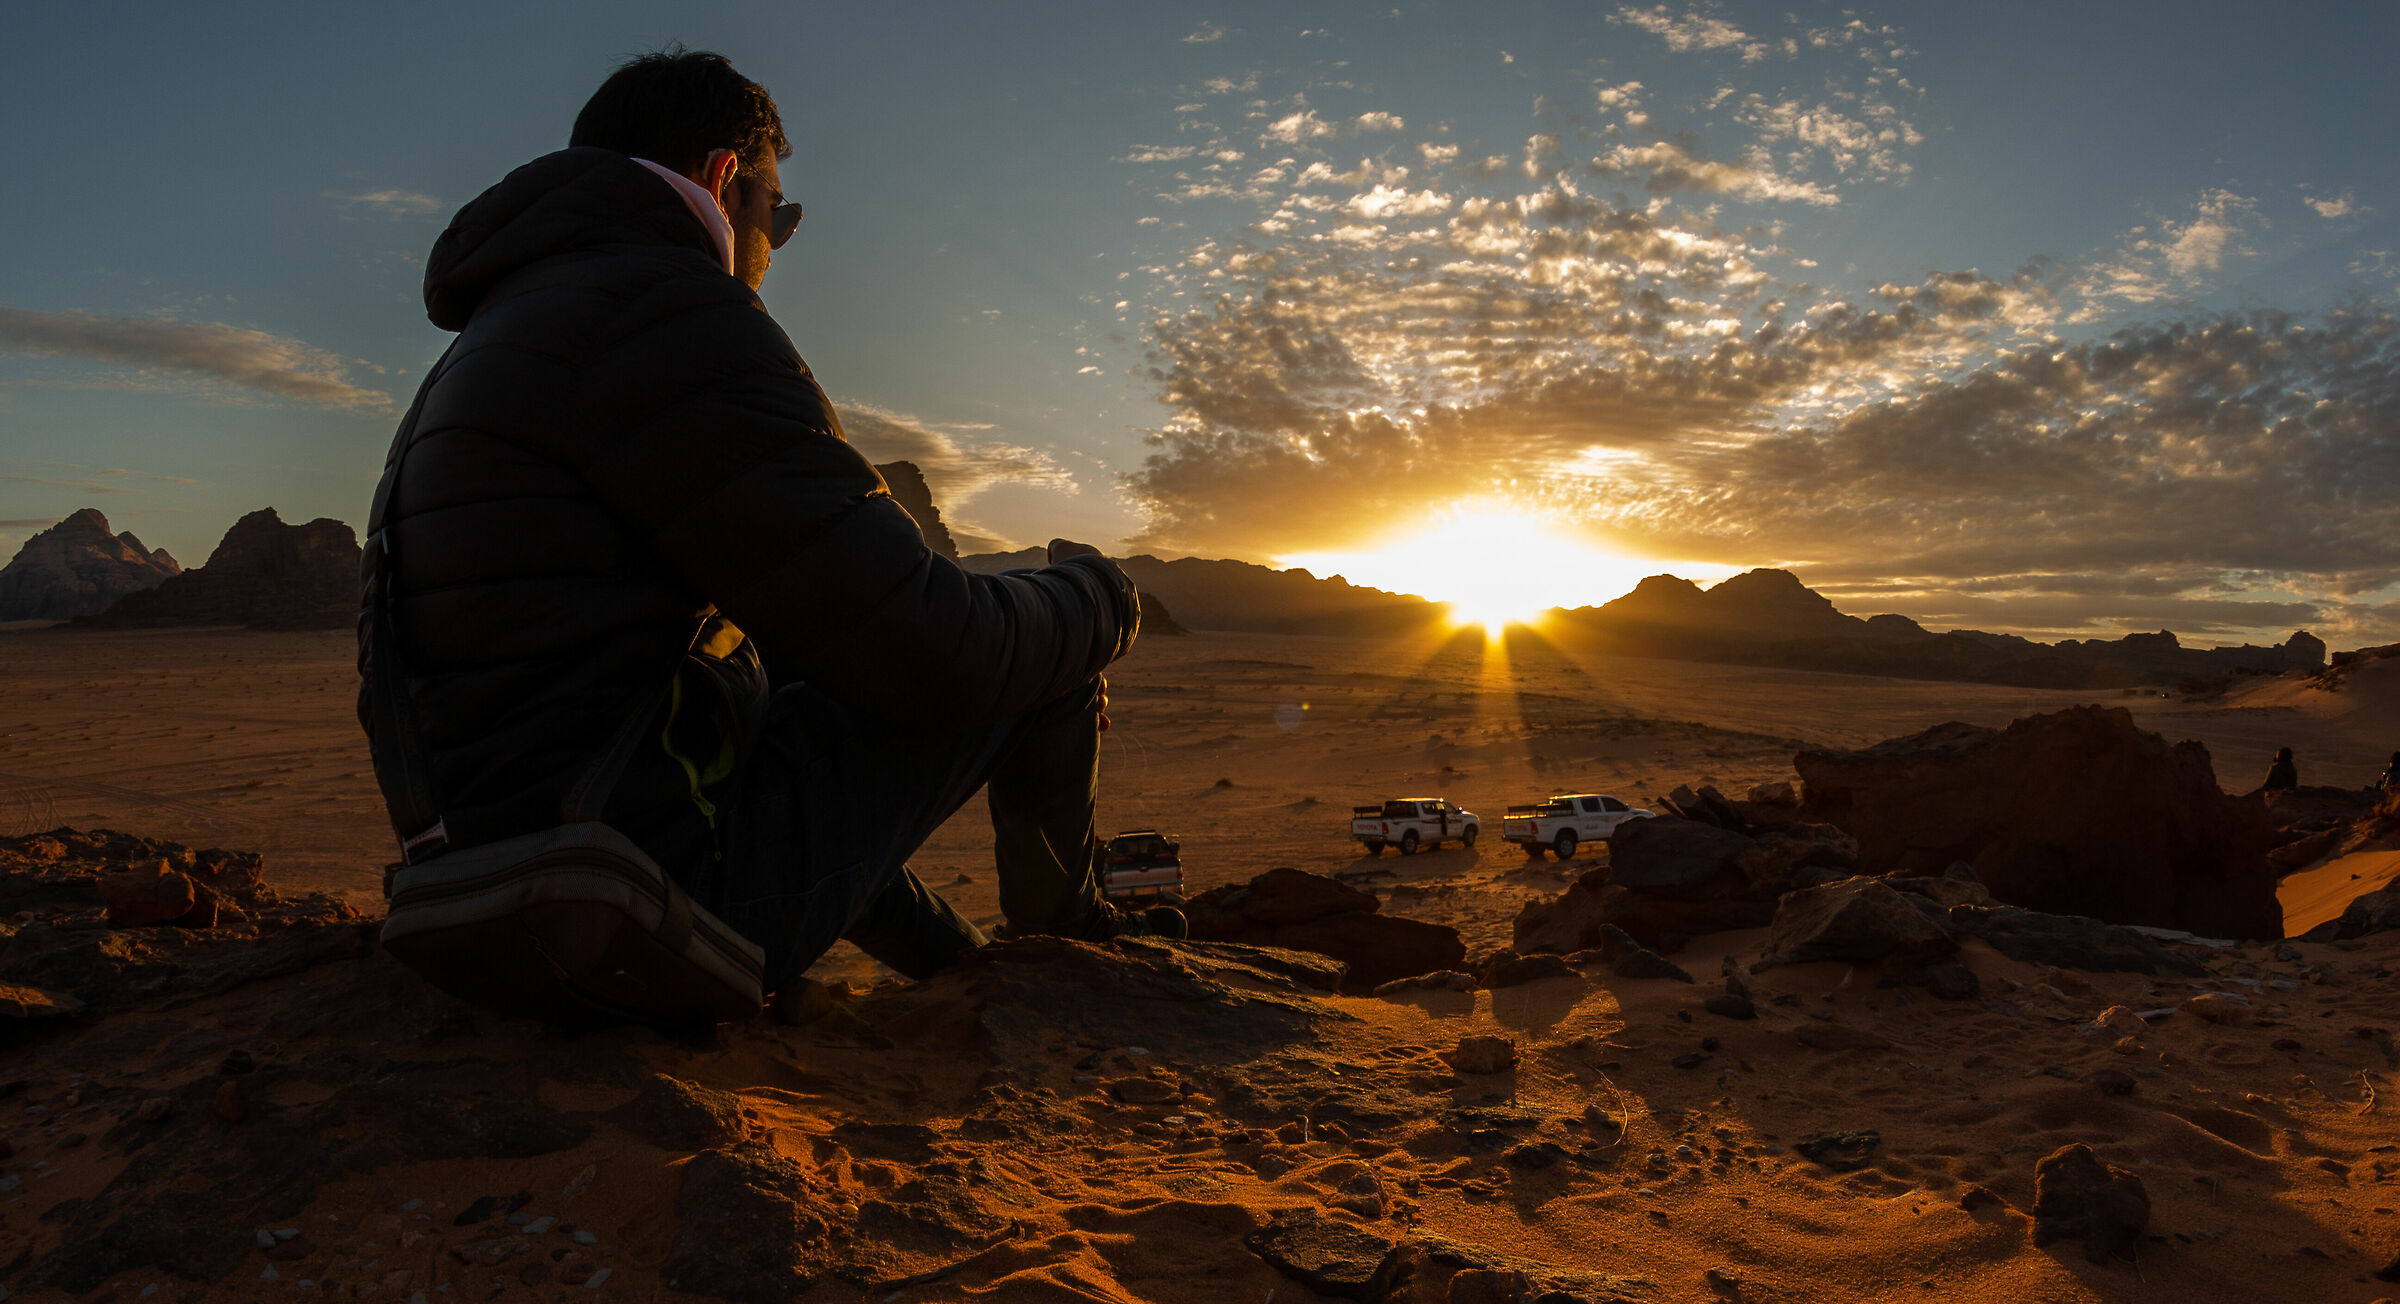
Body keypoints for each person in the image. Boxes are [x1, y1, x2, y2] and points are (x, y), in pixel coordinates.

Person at [358, 49, 1178, 999]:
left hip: (503, 892)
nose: (773, 245)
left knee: (790, 672)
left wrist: (951, 962)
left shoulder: (496, 339)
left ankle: (982, 968)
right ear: (723, 179)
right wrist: (1105, 598)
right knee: (1043, 638)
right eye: (778, 215)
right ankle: (1072, 953)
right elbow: (931, 648)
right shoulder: (666, 308)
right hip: (637, 903)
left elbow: (774, 737)